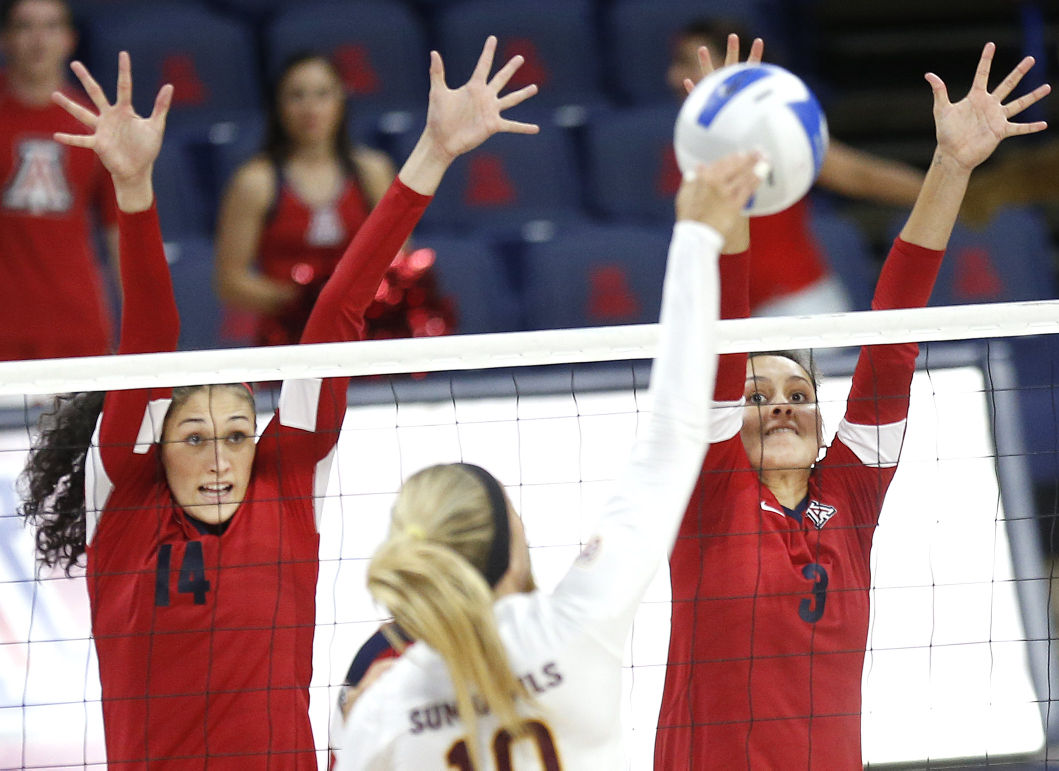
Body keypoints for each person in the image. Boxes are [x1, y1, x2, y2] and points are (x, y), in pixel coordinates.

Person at [17, 36, 539, 769]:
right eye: (194, 437)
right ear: (156, 446)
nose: (222, 455)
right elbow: (150, 335)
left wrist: (433, 155)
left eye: (237, 433)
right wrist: (134, 190)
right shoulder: (126, 502)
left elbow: (337, 313)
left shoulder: (284, 479)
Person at [655, 39, 1050, 768]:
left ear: (820, 423)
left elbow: (892, 337)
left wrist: (952, 164)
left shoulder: (850, 493)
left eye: (799, 395)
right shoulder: (711, 493)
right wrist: (727, 158)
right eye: (759, 394)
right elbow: (723, 332)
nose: (780, 406)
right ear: (728, 421)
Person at [330, 154, 765, 767]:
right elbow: (674, 432)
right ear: (511, 545)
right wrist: (695, 235)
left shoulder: (380, 709)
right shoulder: (574, 627)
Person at [668, 20, 926, 316]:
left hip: (792, 307)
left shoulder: (770, 123)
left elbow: (860, 175)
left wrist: (954, 193)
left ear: (732, 66)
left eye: (686, 62)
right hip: (730, 310)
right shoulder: (693, 136)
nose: (673, 76)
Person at [214, 52, 454, 346]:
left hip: (367, 335)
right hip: (289, 341)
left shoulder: (372, 172)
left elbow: (399, 260)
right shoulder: (254, 181)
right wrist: (302, 299)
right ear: (277, 106)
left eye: (323, 94)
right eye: (296, 96)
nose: (310, 108)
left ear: (341, 100)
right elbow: (230, 282)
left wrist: (350, 301)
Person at [0, 0, 118, 361]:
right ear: (5, 39)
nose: (38, 40)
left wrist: (140, 332)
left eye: (51, 27)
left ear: (69, 39)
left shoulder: (99, 125)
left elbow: (121, 234)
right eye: (25, 27)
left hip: (78, 324)